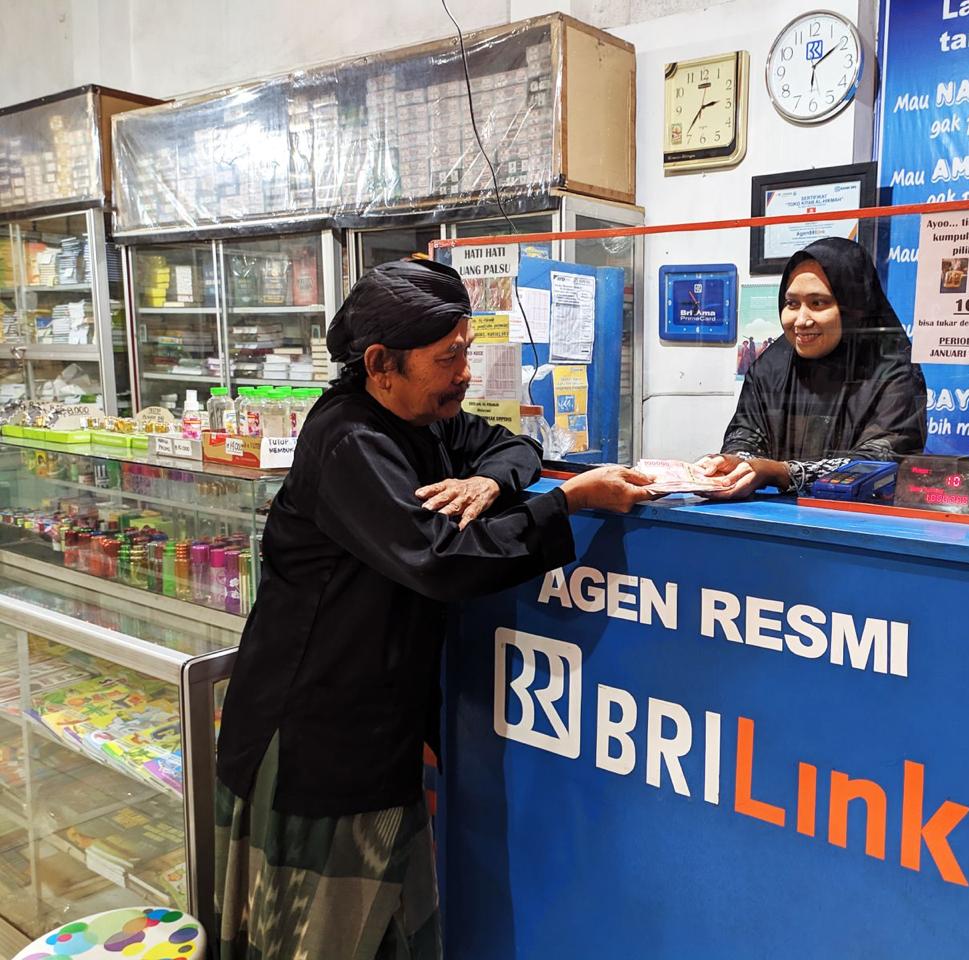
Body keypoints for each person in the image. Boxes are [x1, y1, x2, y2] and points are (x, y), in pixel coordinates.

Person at [213, 258, 654, 960]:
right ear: (380, 363)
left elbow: (514, 444)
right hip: (315, 737)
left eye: (467, 353)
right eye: (449, 358)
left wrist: (489, 483)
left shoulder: (426, 420)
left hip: (380, 726)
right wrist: (567, 502)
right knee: (321, 935)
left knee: (395, 923)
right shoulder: (351, 440)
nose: (465, 374)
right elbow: (443, 561)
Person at [699, 237, 926, 498]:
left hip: (860, 518)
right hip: (768, 515)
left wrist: (782, 473)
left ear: (853, 308)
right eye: (792, 304)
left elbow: (879, 461)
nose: (801, 320)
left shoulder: (893, 372)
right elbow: (746, 435)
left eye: (818, 303)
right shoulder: (770, 366)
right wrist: (736, 462)